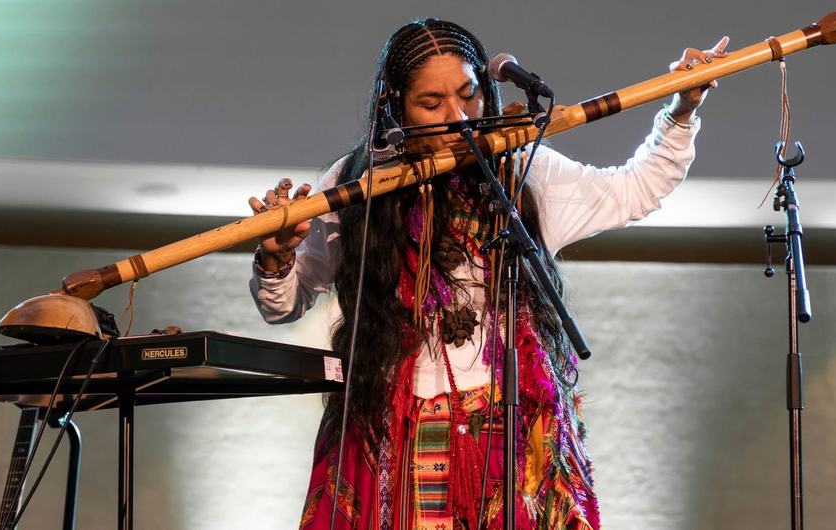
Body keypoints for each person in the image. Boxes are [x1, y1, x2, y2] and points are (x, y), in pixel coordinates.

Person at [249, 18, 726, 530]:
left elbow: (636, 188)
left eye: (469, 95)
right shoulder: (354, 186)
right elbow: (282, 305)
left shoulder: (522, 169)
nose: (457, 117)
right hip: (388, 431)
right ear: (395, 109)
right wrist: (275, 258)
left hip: (511, 429)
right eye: (431, 105)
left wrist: (681, 110)